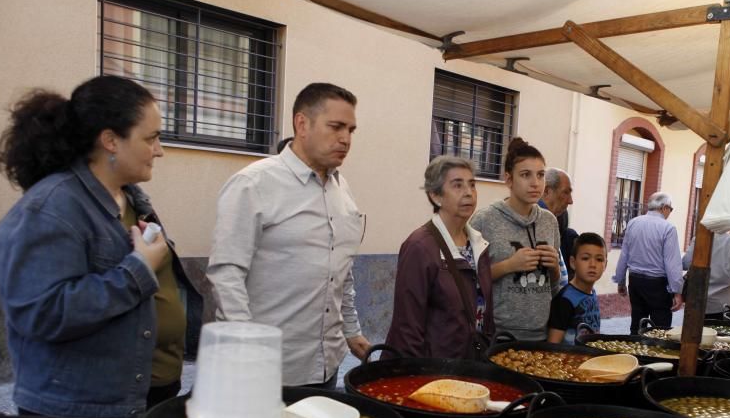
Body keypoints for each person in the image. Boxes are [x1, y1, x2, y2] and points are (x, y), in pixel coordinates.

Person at [0, 75, 202, 418]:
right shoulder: (52, 208)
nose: (159, 150)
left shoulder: (131, 198)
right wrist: (138, 269)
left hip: (144, 398)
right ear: (110, 141)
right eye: (151, 138)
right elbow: (41, 313)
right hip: (81, 413)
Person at [207, 83, 370, 388]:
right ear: (302, 123)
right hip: (265, 369)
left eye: (351, 129)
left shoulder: (341, 189)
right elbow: (226, 274)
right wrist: (247, 349)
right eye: (335, 127)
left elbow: (341, 271)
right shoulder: (253, 184)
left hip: (326, 364)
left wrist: (351, 329)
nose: (345, 139)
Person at [385, 156, 495, 358]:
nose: (469, 193)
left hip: (471, 365)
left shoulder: (479, 244)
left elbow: (484, 312)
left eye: (472, 185)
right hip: (432, 370)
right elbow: (407, 326)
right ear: (436, 196)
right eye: (457, 185)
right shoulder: (420, 247)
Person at [471, 137, 561, 341]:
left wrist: (554, 267)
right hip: (497, 335)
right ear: (509, 179)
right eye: (525, 175)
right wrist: (509, 265)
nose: (535, 183)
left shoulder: (549, 221)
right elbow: (466, 281)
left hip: (541, 335)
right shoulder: (484, 220)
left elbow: (554, 286)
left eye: (540, 175)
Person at [612, 192, 685, 332]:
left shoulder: (633, 223)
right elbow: (672, 263)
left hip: (635, 281)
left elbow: (624, 255)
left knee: (637, 324)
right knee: (660, 328)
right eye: (670, 209)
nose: (670, 212)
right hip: (658, 284)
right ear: (664, 207)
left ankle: (634, 351)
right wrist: (677, 291)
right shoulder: (668, 228)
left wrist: (620, 280)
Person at [547, 232, 606, 344]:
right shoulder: (565, 300)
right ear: (573, 263)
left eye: (599, 259)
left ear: (605, 265)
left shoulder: (592, 292)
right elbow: (553, 345)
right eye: (585, 258)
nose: (593, 264)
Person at [681, 233, 730, 315]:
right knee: (719, 326)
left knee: (694, 327)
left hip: (697, 298)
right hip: (723, 301)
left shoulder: (699, 238)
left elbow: (685, 264)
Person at [540, 167, 577, 264]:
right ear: (546, 191)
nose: (570, 201)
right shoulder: (531, 219)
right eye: (565, 192)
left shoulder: (561, 217)